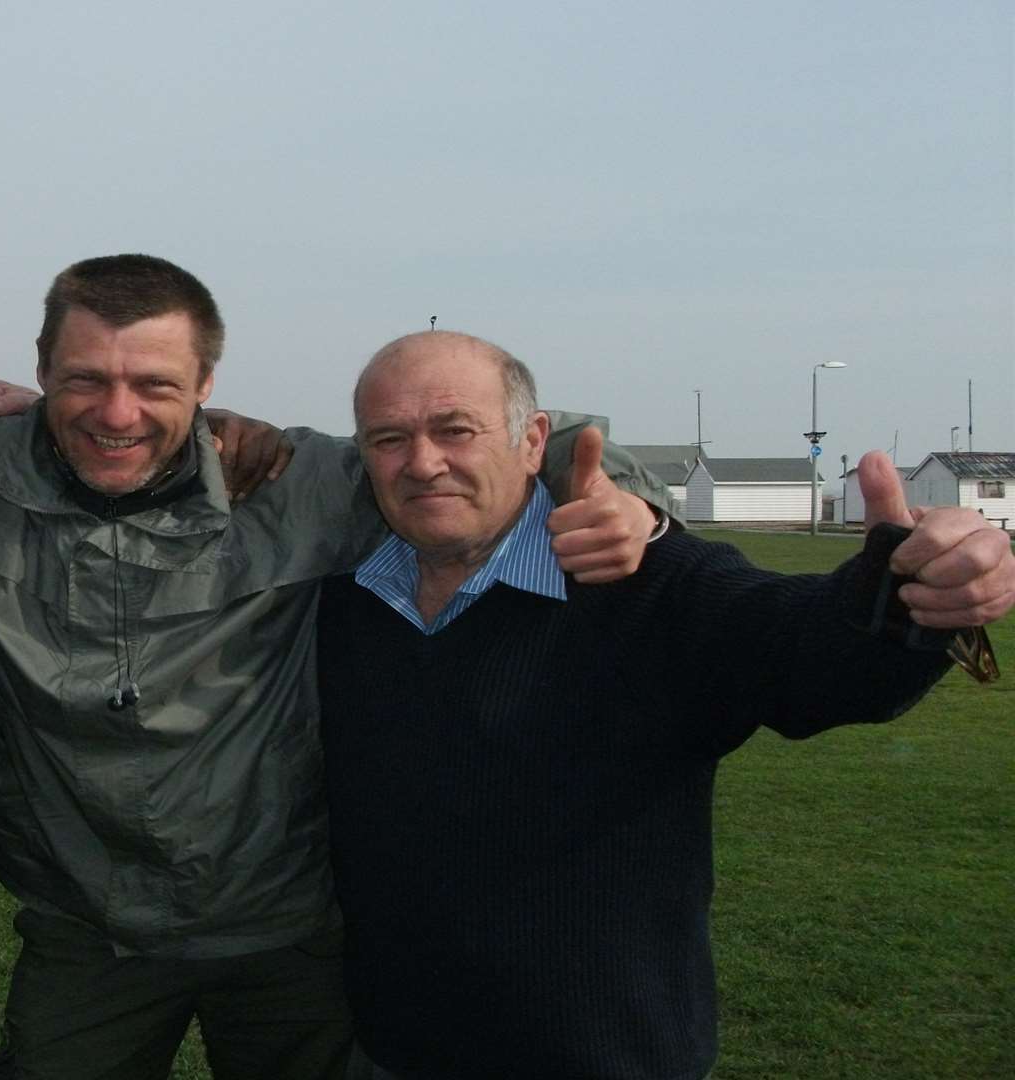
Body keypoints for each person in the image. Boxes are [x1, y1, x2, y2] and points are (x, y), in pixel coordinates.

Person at [0, 254, 675, 1079]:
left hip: (288, 928)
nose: (118, 412)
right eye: (85, 380)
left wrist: (631, 502)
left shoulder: (295, 480)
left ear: (208, 387)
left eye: (156, 385)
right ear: (41, 372)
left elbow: (516, 446)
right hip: (85, 932)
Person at [317, 330, 1014, 1080]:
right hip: (392, 1051)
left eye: (455, 429)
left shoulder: (650, 586)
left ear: (533, 441)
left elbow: (804, 654)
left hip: (602, 1057)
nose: (423, 463)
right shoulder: (344, 601)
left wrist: (907, 597)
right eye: (389, 438)